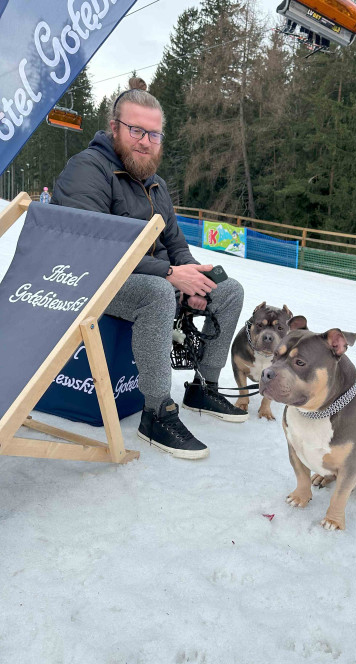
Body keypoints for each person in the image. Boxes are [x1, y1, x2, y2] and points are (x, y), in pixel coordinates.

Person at [51, 77, 248, 460]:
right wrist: (171, 276)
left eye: (153, 134)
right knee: (157, 292)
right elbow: (95, 246)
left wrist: (192, 275)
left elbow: (175, 245)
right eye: (136, 130)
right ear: (114, 128)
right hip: (89, 278)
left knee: (228, 289)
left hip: (143, 275)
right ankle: (156, 412)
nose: (145, 141)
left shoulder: (155, 185)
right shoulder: (88, 169)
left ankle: (202, 387)